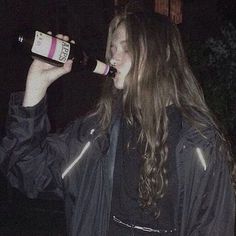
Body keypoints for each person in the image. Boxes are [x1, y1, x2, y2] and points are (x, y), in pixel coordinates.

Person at [0, 9, 235, 236]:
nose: (113, 57)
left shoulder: (200, 145)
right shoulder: (97, 133)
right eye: (112, 48)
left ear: (160, 55)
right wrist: (36, 85)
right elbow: (27, 171)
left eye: (127, 47)